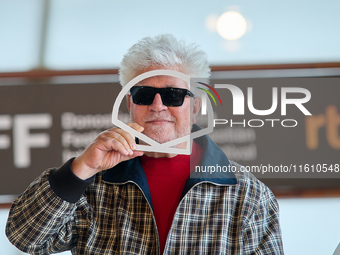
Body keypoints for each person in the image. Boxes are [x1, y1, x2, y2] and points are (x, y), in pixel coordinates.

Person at [6, 34, 284, 254]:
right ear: (130, 103)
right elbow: (25, 237)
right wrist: (81, 168)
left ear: (196, 106)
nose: (158, 105)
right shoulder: (93, 183)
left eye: (174, 95)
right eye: (144, 94)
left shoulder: (247, 195)